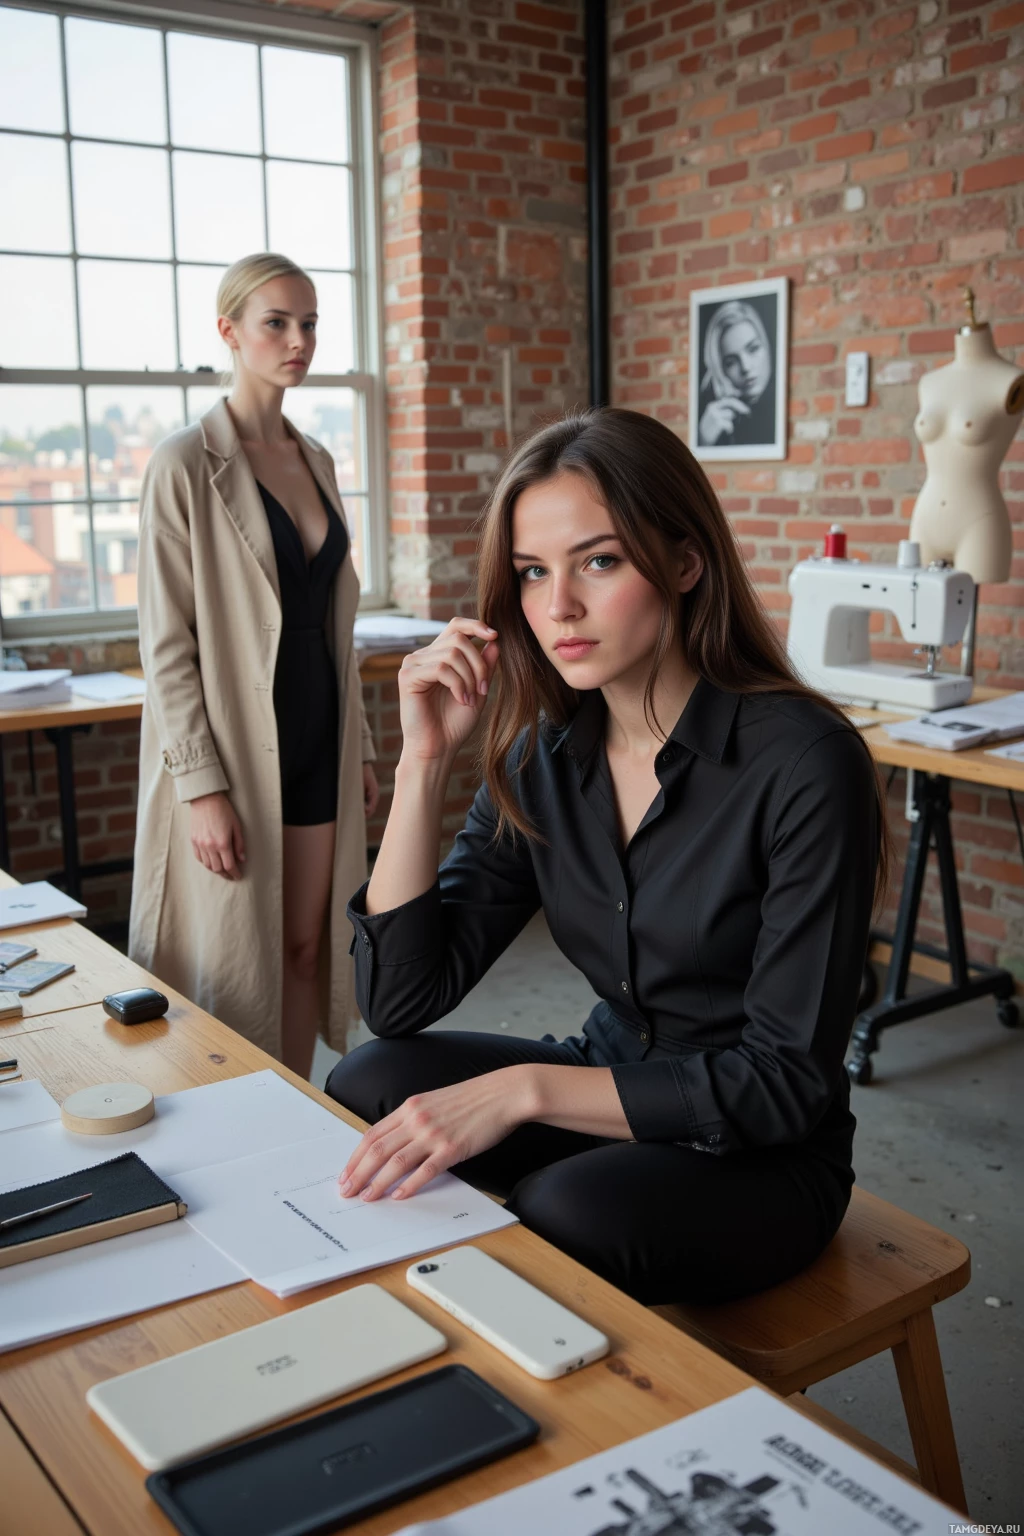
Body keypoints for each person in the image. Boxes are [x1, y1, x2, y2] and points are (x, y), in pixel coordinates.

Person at [325, 408, 887, 1308]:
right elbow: (397, 1000)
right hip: (610, 1085)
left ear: (685, 562)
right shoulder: (544, 759)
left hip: (762, 1152)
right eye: (532, 573)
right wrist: (423, 760)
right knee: (368, 1083)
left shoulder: (804, 761)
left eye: (599, 561)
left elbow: (783, 1084)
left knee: (563, 1211)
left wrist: (522, 1091)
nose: (558, 609)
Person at [130, 252, 378, 1076]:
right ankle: (236, 1115)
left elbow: (337, 622)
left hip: (320, 733)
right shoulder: (183, 464)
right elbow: (166, 643)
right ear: (229, 332)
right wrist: (201, 786)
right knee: (237, 963)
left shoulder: (319, 461)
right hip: (236, 744)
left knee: (308, 946)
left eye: (309, 323)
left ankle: (296, 1109)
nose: (298, 340)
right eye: (277, 322)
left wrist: (365, 749)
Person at [697, 299, 776, 449]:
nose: (745, 367)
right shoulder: (717, 420)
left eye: (753, 349)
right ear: (720, 370)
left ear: (767, 345)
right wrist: (703, 440)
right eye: (731, 362)